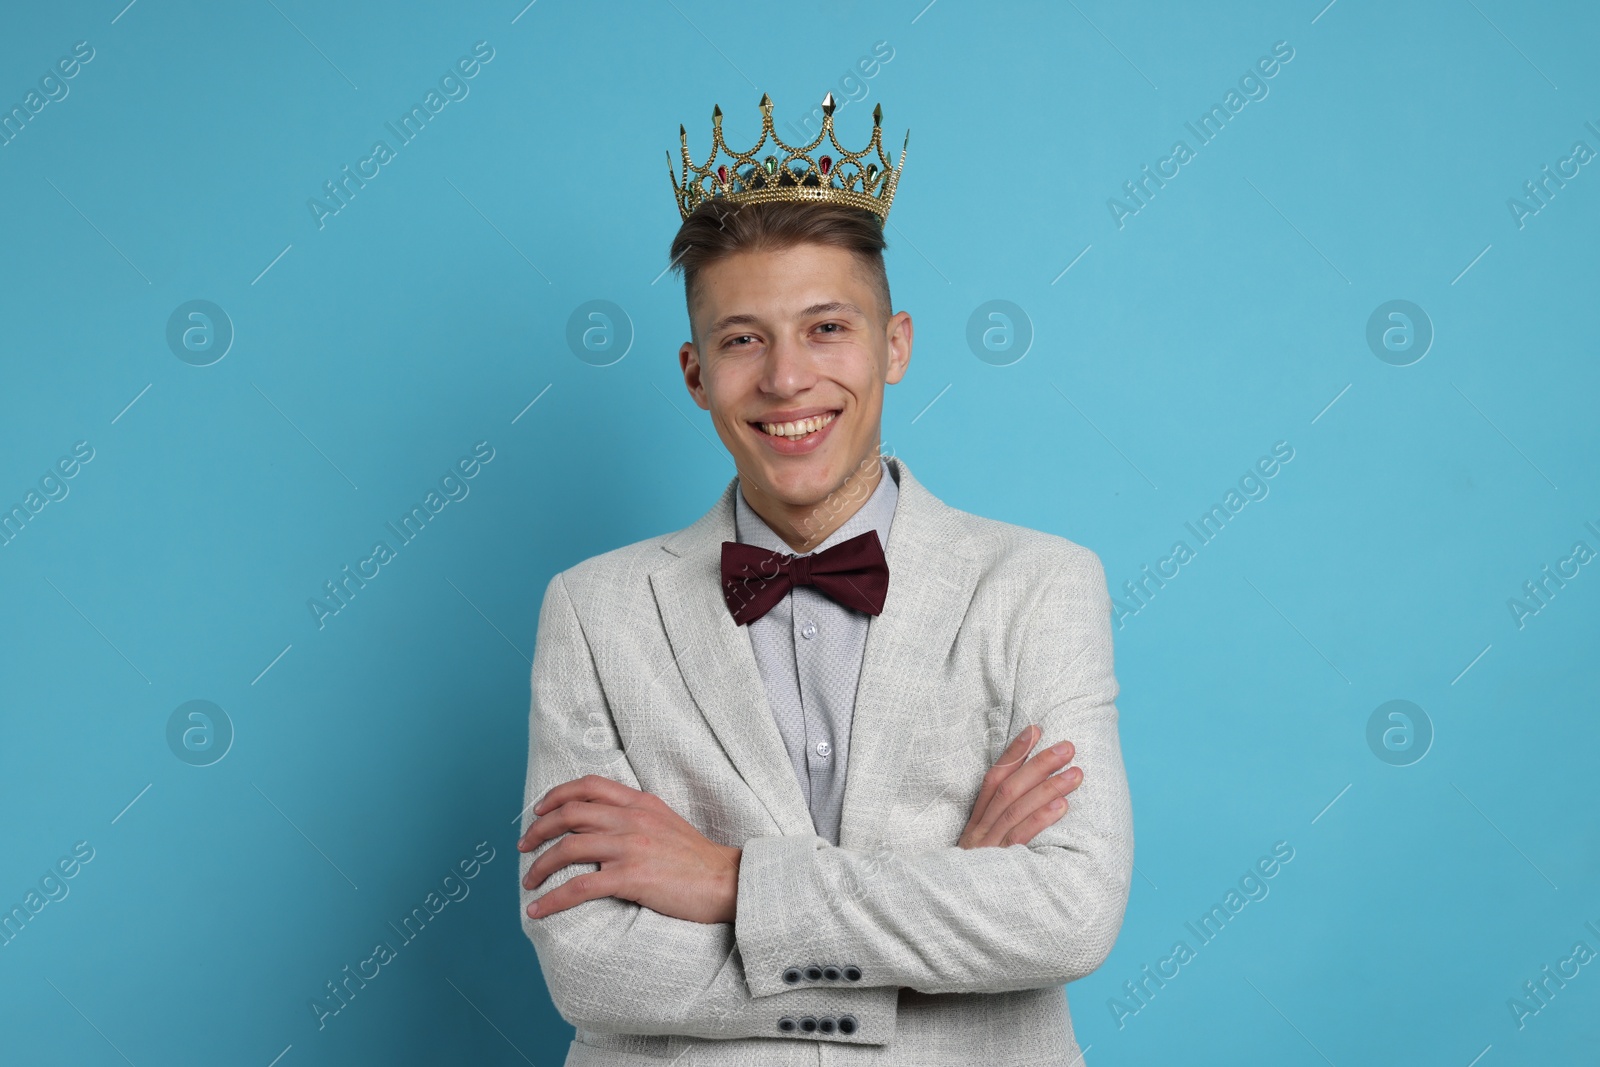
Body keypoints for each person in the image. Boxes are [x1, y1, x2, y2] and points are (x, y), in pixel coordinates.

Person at [517, 94, 1133, 1066]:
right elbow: (590, 964)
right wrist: (950, 897)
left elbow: (1067, 912)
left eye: (826, 328)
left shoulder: (1039, 583)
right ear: (694, 372)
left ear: (894, 347)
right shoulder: (593, 610)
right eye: (742, 338)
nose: (786, 378)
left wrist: (727, 882)